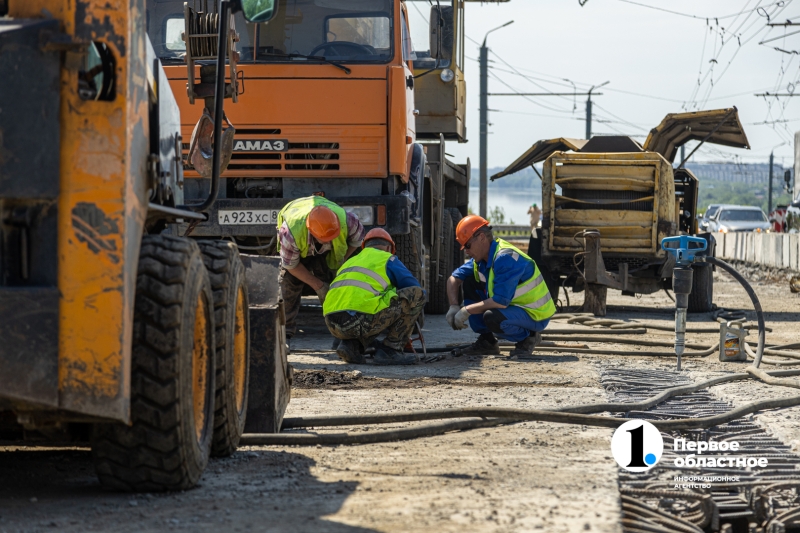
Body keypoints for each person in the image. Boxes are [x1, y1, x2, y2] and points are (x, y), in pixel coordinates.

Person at [445, 215, 555, 357]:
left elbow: (500, 302)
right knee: (470, 281)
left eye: (467, 245)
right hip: (517, 308)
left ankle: (528, 338)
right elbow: (454, 278)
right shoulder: (480, 260)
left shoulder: (505, 257)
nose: (466, 251)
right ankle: (487, 342)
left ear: (482, 237)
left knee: (492, 318)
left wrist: (466, 311)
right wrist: (453, 306)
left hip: (535, 314)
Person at [323, 229, 426, 365]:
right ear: (390, 248)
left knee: (369, 308)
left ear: (364, 247)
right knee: (417, 295)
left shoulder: (350, 261)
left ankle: (351, 346)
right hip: (359, 321)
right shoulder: (388, 259)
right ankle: (391, 350)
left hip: (331, 323)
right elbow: (415, 288)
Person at [277, 196, 365, 343]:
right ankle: (283, 335)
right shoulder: (290, 232)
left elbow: (357, 241)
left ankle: (343, 331)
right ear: (311, 231)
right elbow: (291, 265)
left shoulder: (348, 221)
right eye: (325, 238)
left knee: (337, 280)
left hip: (327, 252)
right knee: (288, 282)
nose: (330, 240)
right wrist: (318, 286)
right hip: (298, 248)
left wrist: (342, 262)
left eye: (332, 236)